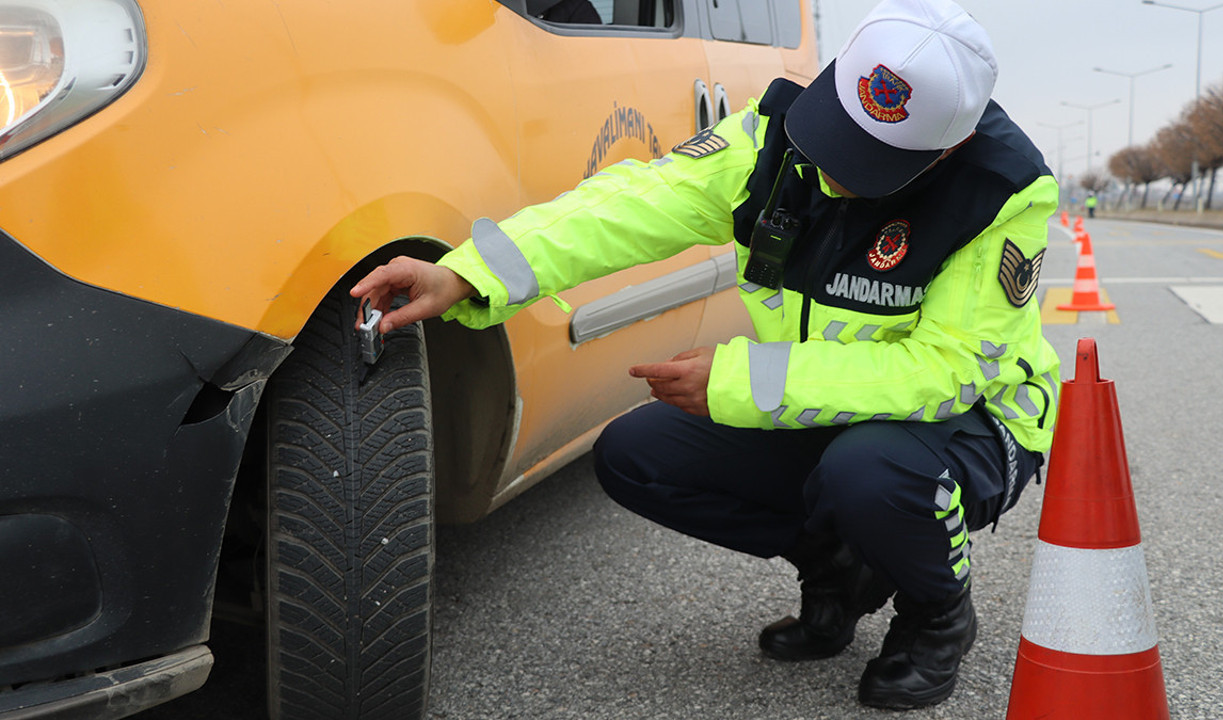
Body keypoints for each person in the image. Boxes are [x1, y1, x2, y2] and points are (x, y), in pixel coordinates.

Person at [351, 0, 1060, 709]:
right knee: (636, 455)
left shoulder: (1000, 194)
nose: (835, 172)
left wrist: (740, 380)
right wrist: (469, 273)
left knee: (871, 471)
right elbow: (630, 205)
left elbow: (943, 373)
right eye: (837, 136)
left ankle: (937, 614)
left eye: (866, 163)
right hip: (827, 403)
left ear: (947, 148)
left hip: (967, 424)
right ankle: (838, 566)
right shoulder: (778, 136)